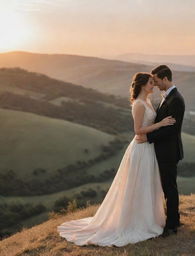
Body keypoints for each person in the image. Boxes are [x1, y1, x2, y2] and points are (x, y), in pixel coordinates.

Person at [57, 72, 176, 247]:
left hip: (148, 148)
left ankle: (147, 219)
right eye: (151, 83)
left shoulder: (148, 101)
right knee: (138, 184)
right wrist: (161, 124)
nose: (154, 85)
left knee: (146, 184)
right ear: (143, 85)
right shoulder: (139, 104)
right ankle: (135, 222)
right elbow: (137, 130)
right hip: (141, 149)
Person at [136, 65, 185, 237]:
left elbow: (171, 129)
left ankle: (172, 224)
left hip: (169, 152)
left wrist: (148, 138)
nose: (155, 84)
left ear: (165, 79)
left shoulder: (176, 100)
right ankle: (173, 218)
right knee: (167, 187)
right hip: (162, 150)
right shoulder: (168, 97)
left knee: (169, 188)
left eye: (156, 80)